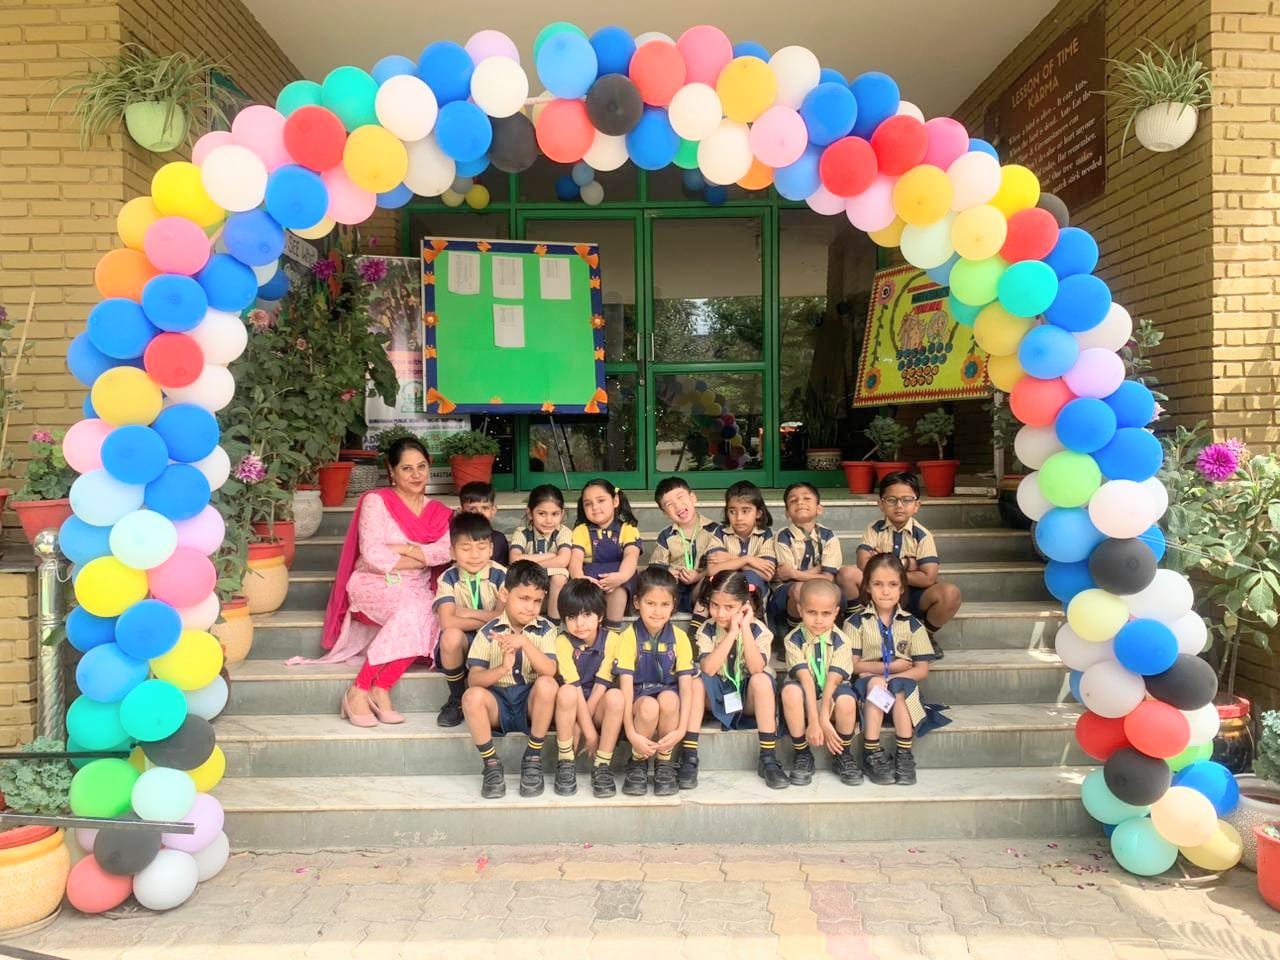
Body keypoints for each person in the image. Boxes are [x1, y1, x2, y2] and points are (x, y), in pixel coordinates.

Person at [289, 438, 453, 728]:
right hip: (373, 581)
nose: (416, 475)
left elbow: (446, 551)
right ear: (392, 471)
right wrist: (420, 556)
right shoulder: (376, 501)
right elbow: (373, 553)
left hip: (415, 586)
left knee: (428, 610)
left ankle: (373, 687)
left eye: (421, 467)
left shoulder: (438, 511)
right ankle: (366, 688)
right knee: (417, 610)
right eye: (407, 469)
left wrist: (403, 548)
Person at [461, 560, 559, 799]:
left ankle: (533, 756)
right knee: (471, 697)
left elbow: (549, 670)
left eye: (537, 601)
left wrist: (525, 643)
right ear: (505, 594)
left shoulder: (545, 629)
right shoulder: (488, 632)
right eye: (524, 598)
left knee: (548, 685)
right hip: (498, 704)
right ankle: (491, 765)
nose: (531, 607)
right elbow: (474, 680)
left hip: (529, 704)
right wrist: (503, 667)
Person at [682, 571, 787, 790]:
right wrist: (731, 634)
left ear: (744, 605)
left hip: (746, 697)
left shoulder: (758, 630)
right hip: (717, 695)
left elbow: (756, 668)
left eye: (729, 607)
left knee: (762, 681)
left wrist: (744, 627)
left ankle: (768, 757)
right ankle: (689, 757)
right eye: (715, 605)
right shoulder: (707, 629)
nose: (720, 613)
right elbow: (709, 669)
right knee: (696, 683)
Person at [842, 471, 962, 659]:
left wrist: (889, 563)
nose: (899, 506)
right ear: (881, 504)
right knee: (847, 574)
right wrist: (908, 564)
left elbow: (928, 578)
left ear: (917, 505)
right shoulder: (874, 529)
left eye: (907, 500)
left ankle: (924, 635)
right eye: (892, 500)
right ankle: (862, 628)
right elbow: (863, 563)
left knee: (950, 593)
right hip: (878, 592)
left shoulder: (922, 535)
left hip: (911, 595)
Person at [850, 552, 936, 786]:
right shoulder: (856, 622)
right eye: (878, 584)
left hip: (902, 691)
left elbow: (921, 670)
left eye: (892, 584)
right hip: (868, 692)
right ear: (867, 587)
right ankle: (871, 752)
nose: (885, 591)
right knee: (877, 684)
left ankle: (904, 754)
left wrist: (890, 676)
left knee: (898, 687)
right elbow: (853, 665)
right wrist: (889, 667)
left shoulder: (913, 624)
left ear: (902, 588)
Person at [610, 567, 696, 797]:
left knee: (669, 699)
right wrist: (631, 733)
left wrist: (681, 730)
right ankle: (638, 762)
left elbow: (687, 689)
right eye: (650, 603)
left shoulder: (680, 638)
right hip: (639, 700)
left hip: (669, 698)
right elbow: (625, 690)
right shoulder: (628, 637)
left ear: (674, 605)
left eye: (664, 604)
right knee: (649, 706)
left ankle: (664, 763)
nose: (657, 611)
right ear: (637, 602)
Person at [779, 579, 862, 786]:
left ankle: (842, 753)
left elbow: (832, 683)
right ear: (800, 609)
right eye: (811, 612)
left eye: (826, 614)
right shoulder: (793, 640)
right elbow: (806, 680)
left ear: (836, 612)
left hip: (831, 701)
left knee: (847, 700)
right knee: (790, 691)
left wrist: (823, 719)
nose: (818, 620)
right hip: (805, 703)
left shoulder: (843, 641)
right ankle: (802, 752)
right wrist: (815, 722)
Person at [552, 578, 625, 797]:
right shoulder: (562, 642)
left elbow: (602, 684)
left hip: (596, 702)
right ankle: (566, 761)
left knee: (616, 697)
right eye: (572, 617)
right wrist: (590, 732)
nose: (579, 623)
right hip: (570, 704)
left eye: (587, 615)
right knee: (566, 692)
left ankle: (602, 765)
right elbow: (573, 687)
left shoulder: (612, 640)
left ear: (600, 616)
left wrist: (585, 727)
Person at [433, 512, 506, 728]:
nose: (474, 555)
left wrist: (463, 612)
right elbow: (447, 623)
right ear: (452, 552)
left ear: (491, 549)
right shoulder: (448, 578)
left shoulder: (503, 575)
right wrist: (489, 617)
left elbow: (504, 619)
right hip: (466, 641)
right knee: (450, 637)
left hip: (495, 640)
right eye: (466, 548)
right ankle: (456, 698)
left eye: (481, 547)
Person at [568, 478, 643, 629]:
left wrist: (621, 576)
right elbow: (575, 559)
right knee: (584, 596)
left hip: (620, 578)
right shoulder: (581, 530)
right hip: (589, 580)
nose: (594, 507)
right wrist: (581, 579)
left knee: (619, 590)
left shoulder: (628, 529)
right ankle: (590, 632)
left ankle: (612, 632)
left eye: (601, 500)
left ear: (615, 501)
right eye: (588, 504)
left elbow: (631, 556)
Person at [769, 482, 842, 633]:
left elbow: (828, 578)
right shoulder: (783, 536)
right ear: (787, 512)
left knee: (834, 587)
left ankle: (833, 629)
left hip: (821, 586)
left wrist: (795, 573)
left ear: (819, 508)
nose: (800, 502)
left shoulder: (829, 536)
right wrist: (819, 569)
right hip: (787, 591)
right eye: (793, 500)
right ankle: (796, 634)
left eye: (807, 498)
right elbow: (787, 576)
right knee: (799, 588)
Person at [648, 477, 726, 617]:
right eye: (669, 504)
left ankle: (697, 623)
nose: (677, 506)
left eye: (680, 497)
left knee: (713, 579)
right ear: (665, 513)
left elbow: (721, 562)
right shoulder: (666, 535)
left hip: (702, 587)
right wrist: (669, 572)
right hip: (676, 590)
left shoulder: (715, 530)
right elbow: (655, 567)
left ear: (693, 498)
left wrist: (699, 575)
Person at [508, 484, 573, 619]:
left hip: (554, 597)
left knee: (560, 576)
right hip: (527, 590)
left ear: (562, 513)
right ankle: (525, 620)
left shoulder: (563, 532)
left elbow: (563, 560)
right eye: (542, 514)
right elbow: (514, 559)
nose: (549, 520)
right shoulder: (522, 533)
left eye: (555, 514)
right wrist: (550, 556)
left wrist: (528, 564)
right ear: (530, 513)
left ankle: (554, 623)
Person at [707, 480, 777, 598]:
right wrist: (748, 560)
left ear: (758, 513)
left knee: (750, 576)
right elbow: (712, 570)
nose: (739, 517)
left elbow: (767, 574)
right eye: (732, 511)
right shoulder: (720, 532)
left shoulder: (766, 534)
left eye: (745, 511)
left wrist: (731, 559)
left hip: (753, 596)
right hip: (724, 594)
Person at [459, 480, 509, 566]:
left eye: (485, 508)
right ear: (461, 511)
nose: (479, 513)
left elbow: (503, 570)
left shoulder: (499, 539)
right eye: (472, 509)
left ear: (493, 510)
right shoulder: (456, 539)